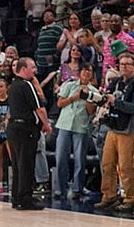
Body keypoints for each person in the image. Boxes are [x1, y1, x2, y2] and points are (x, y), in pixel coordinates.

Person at [93, 51, 134, 212]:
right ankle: (109, 195)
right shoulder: (116, 81)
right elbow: (106, 97)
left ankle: (130, 197)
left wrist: (116, 102)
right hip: (113, 126)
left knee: (125, 165)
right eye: (121, 64)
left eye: (127, 64)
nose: (123, 67)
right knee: (107, 163)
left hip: (128, 128)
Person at [6, 57, 52, 210]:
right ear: (23, 69)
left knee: (18, 164)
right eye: (32, 67)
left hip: (14, 128)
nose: (35, 70)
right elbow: (39, 108)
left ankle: (16, 197)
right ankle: (25, 198)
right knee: (26, 164)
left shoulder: (13, 85)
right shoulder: (27, 84)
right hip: (25, 129)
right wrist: (45, 124)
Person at [55, 63, 97, 199]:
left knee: (80, 158)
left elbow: (91, 111)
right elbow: (60, 103)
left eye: (89, 71)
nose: (86, 73)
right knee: (61, 157)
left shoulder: (94, 91)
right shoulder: (69, 85)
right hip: (65, 124)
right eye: (84, 70)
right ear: (80, 72)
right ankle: (60, 189)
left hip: (81, 126)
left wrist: (88, 97)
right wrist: (74, 97)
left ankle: (77, 188)